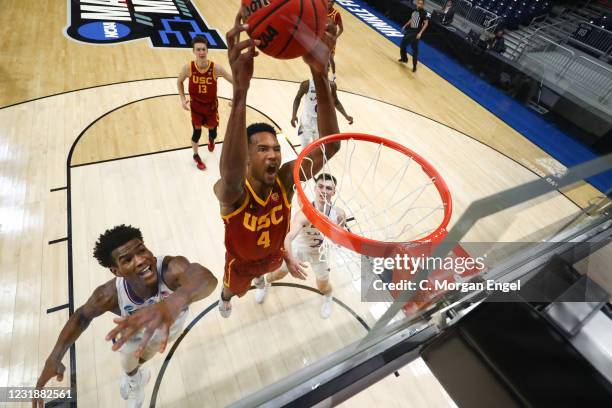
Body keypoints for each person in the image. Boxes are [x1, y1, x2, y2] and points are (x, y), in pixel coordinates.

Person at [214, 12, 341, 318]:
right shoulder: (233, 192)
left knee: (269, 274)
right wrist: (240, 93)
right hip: (240, 263)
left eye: (276, 148)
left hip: (274, 255)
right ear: (245, 157)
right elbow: (229, 173)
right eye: (262, 149)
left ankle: (262, 282)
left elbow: (331, 146)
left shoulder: (285, 179)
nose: (273, 154)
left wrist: (320, 76)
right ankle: (226, 298)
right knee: (232, 289)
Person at [33, 225, 217, 408]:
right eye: (127, 259)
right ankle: (136, 382)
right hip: (139, 331)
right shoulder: (109, 294)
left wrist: (170, 304)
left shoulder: (172, 268)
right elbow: (81, 317)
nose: (140, 260)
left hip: (172, 326)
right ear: (116, 270)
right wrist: (54, 358)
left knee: (138, 355)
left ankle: (136, 374)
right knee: (126, 349)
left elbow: (207, 279)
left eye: (142, 250)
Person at [254, 173, 346, 319]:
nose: (324, 190)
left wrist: (337, 241)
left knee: (323, 286)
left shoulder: (339, 214)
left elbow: (340, 237)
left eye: (328, 188)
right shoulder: (303, 214)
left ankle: (328, 298)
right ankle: (265, 283)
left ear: (334, 192)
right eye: (320, 186)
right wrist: (291, 259)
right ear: (315, 188)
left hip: (320, 253)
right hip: (298, 249)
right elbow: (288, 238)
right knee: (277, 274)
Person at [177, 36, 232, 170]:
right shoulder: (188, 68)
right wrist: (183, 99)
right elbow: (179, 82)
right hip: (196, 107)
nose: (201, 52)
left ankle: (211, 139)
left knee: (213, 131)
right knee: (196, 133)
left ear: (207, 51)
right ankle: (196, 155)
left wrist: (235, 98)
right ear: (194, 51)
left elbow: (235, 82)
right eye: (198, 49)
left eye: (203, 49)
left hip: (211, 107)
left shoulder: (215, 68)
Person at [291, 78, 353, 149]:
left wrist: (346, 115)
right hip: (306, 120)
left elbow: (335, 102)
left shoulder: (331, 85)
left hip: (321, 122)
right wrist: (294, 115)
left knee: (318, 149)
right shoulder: (307, 84)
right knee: (304, 148)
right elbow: (297, 99)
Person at [398, 0, 429, 72]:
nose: (419, 5)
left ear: (423, 5)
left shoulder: (423, 13)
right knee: (403, 45)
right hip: (410, 30)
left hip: (416, 32)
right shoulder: (415, 10)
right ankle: (404, 59)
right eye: (418, 3)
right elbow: (412, 19)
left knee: (414, 50)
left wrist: (420, 33)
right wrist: (405, 25)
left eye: (421, 4)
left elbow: (426, 24)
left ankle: (414, 66)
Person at [327, 0, 344, 81]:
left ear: (333, 3)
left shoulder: (336, 14)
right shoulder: (321, 11)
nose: (329, 3)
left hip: (331, 40)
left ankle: (333, 75)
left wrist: (335, 37)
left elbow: (341, 29)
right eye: (328, 1)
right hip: (323, 37)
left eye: (331, 2)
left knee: (330, 57)